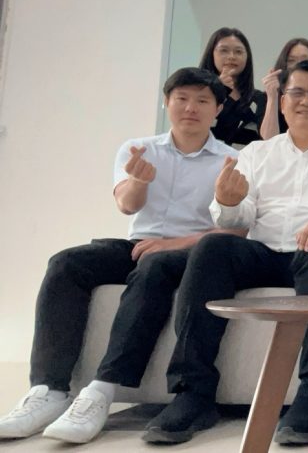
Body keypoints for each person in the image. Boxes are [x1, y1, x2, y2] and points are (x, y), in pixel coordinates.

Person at [145, 60, 308, 446]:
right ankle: (193, 391)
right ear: (283, 102)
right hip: (264, 249)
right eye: (297, 92)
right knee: (212, 246)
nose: (306, 101)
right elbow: (238, 215)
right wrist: (227, 202)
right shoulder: (258, 153)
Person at [0, 68, 238, 443]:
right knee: (66, 263)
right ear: (166, 102)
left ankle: (102, 391)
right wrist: (139, 181)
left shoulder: (230, 160)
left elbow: (236, 231)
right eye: (181, 98)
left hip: (194, 253)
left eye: (202, 100)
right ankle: (48, 390)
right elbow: (127, 206)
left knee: (154, 265)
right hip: (139, 243)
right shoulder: (138, 149)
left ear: (218, 110)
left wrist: (174, 244)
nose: (190, 108)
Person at [199, 27, 266, 147]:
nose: (232, 56)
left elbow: (266, 140)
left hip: (245, 158)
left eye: (238, 52)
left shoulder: (258, 98)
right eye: (224, 51)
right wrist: (218, 90)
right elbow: (196, 129)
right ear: (211, 54)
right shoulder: (199, 92)